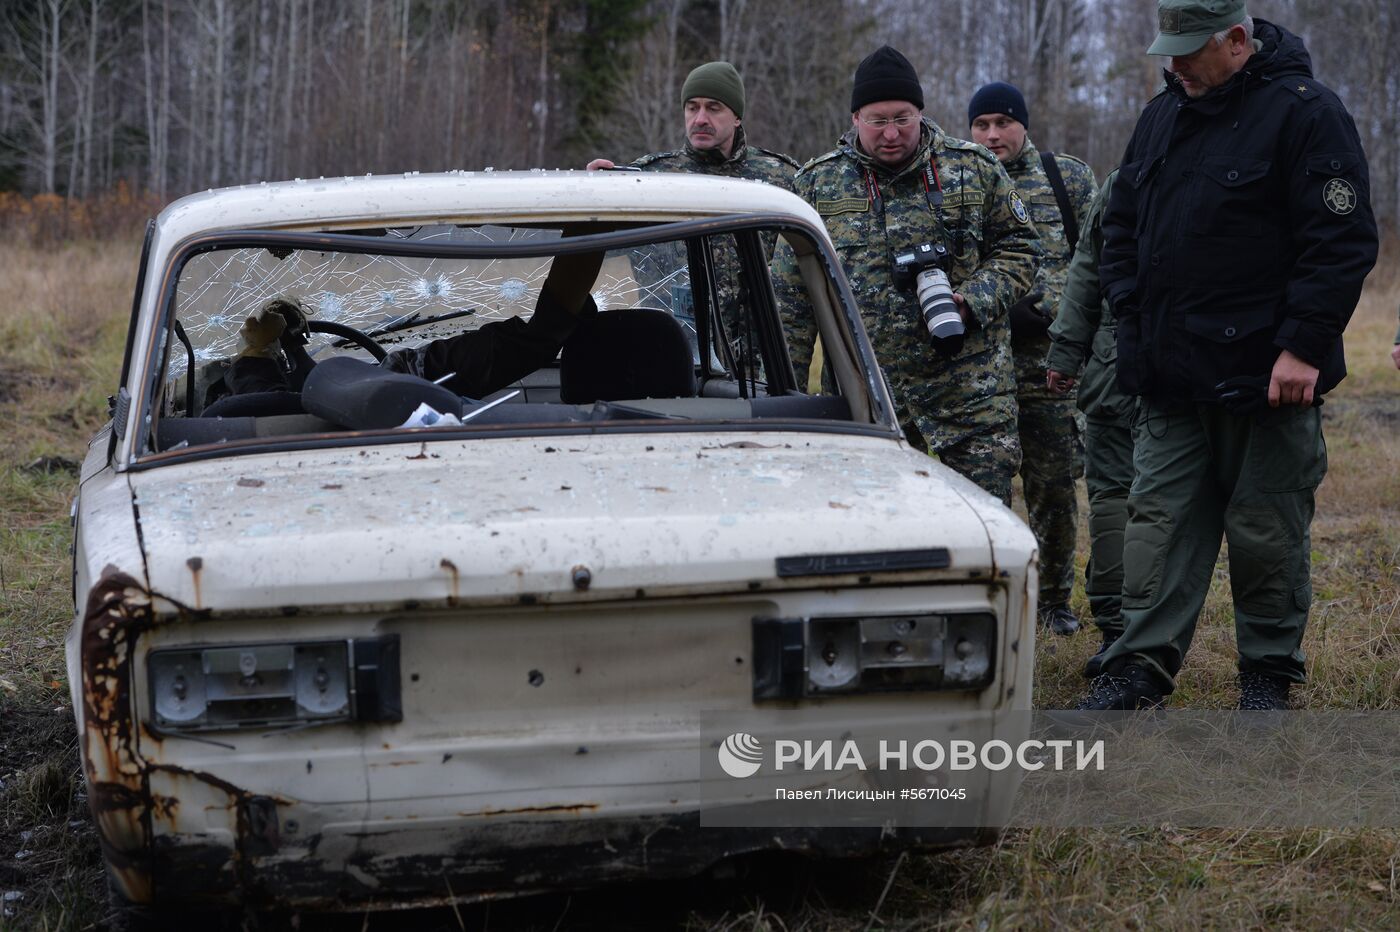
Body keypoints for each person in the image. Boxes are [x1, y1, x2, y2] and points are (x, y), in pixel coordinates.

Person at [1076, 0, 1378, 711]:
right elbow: (1120, 225)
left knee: (1265, 530)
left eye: (1188, 50)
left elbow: (1340, 241)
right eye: (1167, 49)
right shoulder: (1162, 115)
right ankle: (1139, 669)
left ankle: (1267, 677)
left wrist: (1303, 346)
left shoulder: (1306, 113)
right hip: (1170, 371)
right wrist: (1128, 310)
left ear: (1236, 41)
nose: (1173, 64)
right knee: (1157, 524)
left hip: (1267, 377)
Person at [778, 46, 1038, 505]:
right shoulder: (818, 184)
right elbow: (790, 302)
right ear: (855, 117)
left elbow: (1020, 249)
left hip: (971, 397)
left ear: (921, 112)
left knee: (982, 530)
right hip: (867, 401)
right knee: (873, 534)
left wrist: (970, 300)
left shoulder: (973, 169)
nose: (892, 133)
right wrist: (785, 402)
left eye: (903, 118)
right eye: (878, 121)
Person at [969, 82, 1097, 637]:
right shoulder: (958, 178)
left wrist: (1044, 307)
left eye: (1003, 122)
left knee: (1053, 487)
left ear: (1024, 124)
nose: (993, 135)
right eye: (982, 125)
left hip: (1052, 366)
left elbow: (1098, 258)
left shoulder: (1066, 178)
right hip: (978, 370)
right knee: (981, 490)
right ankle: (990, 600)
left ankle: (1053, 601)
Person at [224, 249, 606, 401]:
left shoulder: (290, 418)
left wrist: (259, 354)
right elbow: (536, 340)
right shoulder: (423, 375)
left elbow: (269, 412)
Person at [1046, 170, 1128, 673]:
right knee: (1133, 502)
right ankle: (1125, 632)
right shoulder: (1126, 181)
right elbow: (1089, 269)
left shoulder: (1125, 177)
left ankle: (1121, 633)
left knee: (1120, 500)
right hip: (1124, 369)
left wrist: (1066, 351)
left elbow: (1086, 271)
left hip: (1119, 361)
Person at [585, 61, 799, 191]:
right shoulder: (650, 176)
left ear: (737, 117)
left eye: (713, 108)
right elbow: (609, 244)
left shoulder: (782, 177)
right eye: (692, 108)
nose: (700, 119)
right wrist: (594, 190)